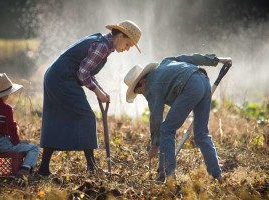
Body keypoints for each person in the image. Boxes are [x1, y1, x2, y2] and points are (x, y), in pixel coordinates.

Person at [38, 20, 142, 176]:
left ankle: (44, 168)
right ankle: (92, 168)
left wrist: (100, 90)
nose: (127, 49)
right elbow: (82, 74)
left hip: (55, 76)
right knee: (87, 117)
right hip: (62, 79)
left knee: (57, 119)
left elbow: (87, 71)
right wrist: (97, 92)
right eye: (128, 45)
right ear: (120, 36)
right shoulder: (102, 47)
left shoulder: (101, 42)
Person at [124, 53, 232, 182]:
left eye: (140, 92)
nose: (143, 94)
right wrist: (218, 60)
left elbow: (156, 118)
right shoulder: (167, 61)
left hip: (190, 87)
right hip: (203, 80)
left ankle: (168, 177)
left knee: (166, 130)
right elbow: (193, 58)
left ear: (142, 81)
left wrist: (155, 145)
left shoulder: (151, 86)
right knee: (201, 134)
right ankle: (217, 176)